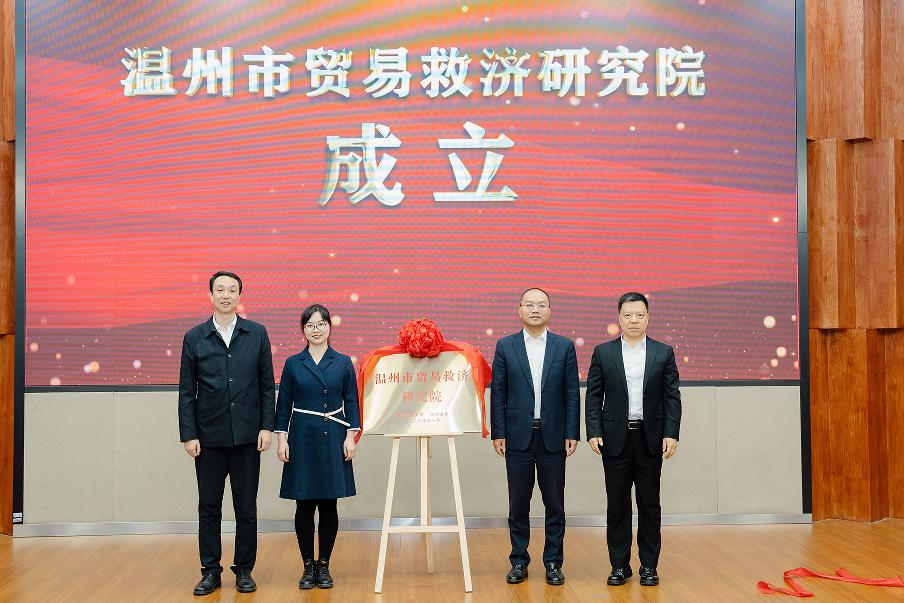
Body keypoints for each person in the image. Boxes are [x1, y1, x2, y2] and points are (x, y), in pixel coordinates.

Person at [178, 271, 275, 596]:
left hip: (248, 436)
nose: (226, 295)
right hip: (208, 438)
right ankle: (210, 571)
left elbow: (266, 385)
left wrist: (266, 426)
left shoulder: (257, 333)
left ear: (239, 296)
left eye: (232, 290)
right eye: (220, 290)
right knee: (209, 507)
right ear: (210, 295)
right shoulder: (195, 337)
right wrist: (189, 434)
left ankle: (244, 570)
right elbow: (186, 391)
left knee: (246, 507)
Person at [585, 292, 682, 587]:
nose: (634, 320)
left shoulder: (663, 352)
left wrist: (671, 433)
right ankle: (619, 566)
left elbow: (672, 397)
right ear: (619, 318)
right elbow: (593, 395)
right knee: (617, 505)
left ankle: (649, 567)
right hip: (614, 438)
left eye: (640, 315)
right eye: (628, 315)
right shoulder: (603, 352)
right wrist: (593, 430)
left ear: (648, 318)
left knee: (650, 504)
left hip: (650, 438)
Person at [490, 288, 580, 586]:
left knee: (555, 504)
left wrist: (572, 431)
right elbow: (499, 392)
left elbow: (571, 392)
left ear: (550, 311)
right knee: (518, 504)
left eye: (541, 305)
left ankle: (553, 562)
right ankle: (519, 561)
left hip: (553, 436)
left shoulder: (564, 346)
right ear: (519, 310)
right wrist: (499, 432)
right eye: (529, 305)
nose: (535, 310)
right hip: (517, 437)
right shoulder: (506, 346)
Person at [275, 304, 360, 590]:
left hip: (334, 435)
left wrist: (350, 436)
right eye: (310, 325)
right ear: (303, 330)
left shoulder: (343, 362)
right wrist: (282, 439)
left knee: (328, 503)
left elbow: (352, 401)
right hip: (301, 437)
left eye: (321, 324)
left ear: (329, 327)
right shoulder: (293, 363)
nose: (316, 329)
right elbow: (284, 404)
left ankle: (324, 565)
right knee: (303, 503)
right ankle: (307, 565)